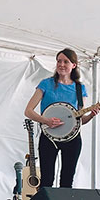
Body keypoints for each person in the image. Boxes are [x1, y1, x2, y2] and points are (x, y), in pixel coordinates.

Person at [24, 48, 99, 188]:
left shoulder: (79, 88)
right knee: (46, 180)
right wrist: (46, 121)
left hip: (73, 140)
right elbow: (28, 111)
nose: (61, 64)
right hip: (48, 138)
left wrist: (90, 116)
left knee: (67, 181)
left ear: (74, 65)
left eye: (66, 61)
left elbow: (78, 121)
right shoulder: (46, 84)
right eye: (59, 61)